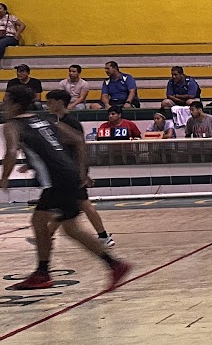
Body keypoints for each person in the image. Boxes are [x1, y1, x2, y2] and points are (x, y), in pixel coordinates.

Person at [0, 87, 130, 292]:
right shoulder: (44, 120)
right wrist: (81, 171)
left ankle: (45, 273)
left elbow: (10, 153)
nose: (3, 105)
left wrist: (4, 178)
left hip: (57, 180)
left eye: (6, 101)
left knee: (49, 224)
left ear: (15, 105)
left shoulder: (12, 125)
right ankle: (112, 265)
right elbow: (78, 140)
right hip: (67, 175)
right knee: (64, 227)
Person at [44, 88, 114, 248]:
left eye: (50, 102)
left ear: (60, 102)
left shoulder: (70, 123)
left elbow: (81, 149)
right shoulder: (58, 121)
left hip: (72, 171)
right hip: (67, 171)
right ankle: (47, 235)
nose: (47, 105)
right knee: (66, 205)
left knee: (81, 204)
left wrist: (83, 172)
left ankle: (104, 236)